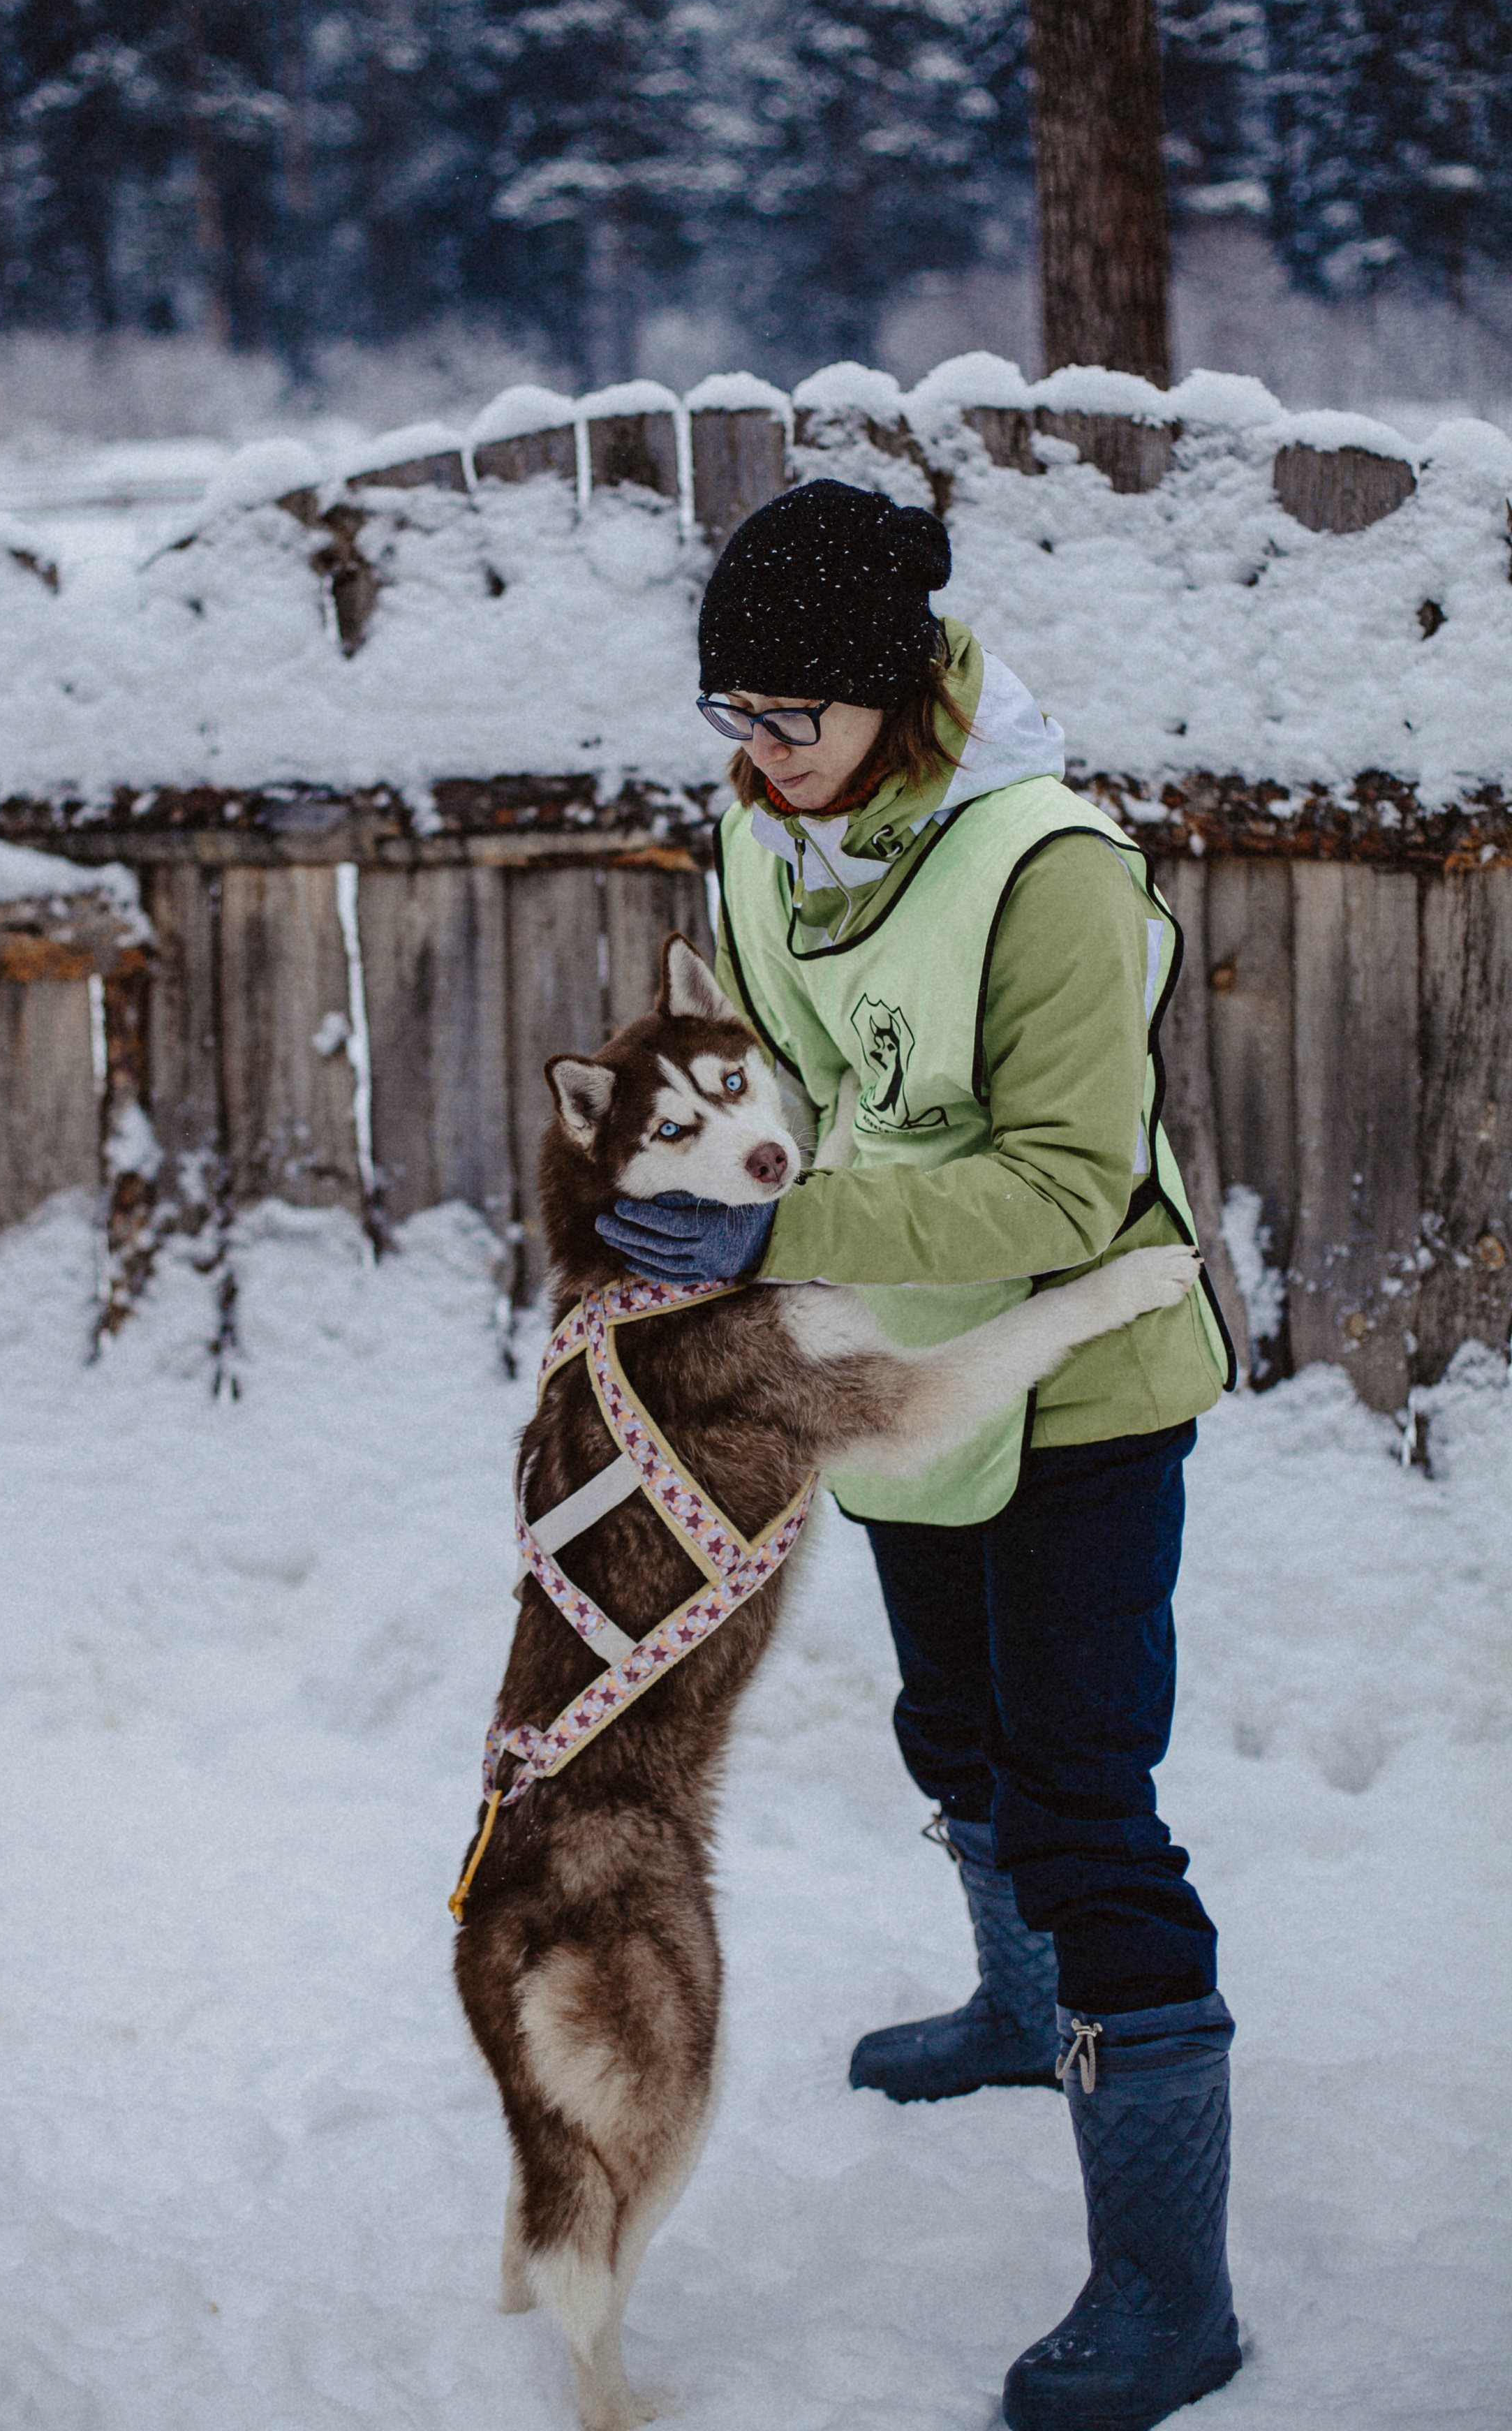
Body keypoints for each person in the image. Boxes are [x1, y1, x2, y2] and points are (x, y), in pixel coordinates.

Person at [595, 478, 1243, 2431]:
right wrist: (705, 1175)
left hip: (1075, 1384)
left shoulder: (1051, 871)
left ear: (899, 694)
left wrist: (782, 1231)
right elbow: (786, 1069)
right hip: (898, 1373)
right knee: (945, 1738)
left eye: (795, 719)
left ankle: (1168, 2293)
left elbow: (1062, 1190)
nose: (759, 759)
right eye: (734, 718)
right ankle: (1020, 2016)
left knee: (1082, 1809)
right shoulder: (765, 832)